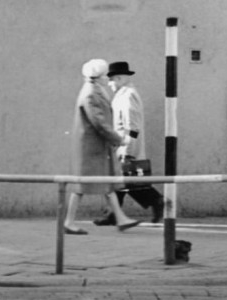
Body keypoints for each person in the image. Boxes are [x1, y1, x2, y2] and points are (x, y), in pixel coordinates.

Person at [63, 59, 140, 235]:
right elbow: (100, 123)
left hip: (95, 147)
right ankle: (69, 222)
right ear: (98, 77)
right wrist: (119, 139)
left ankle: (120, 218)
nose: (108, 78)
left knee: (105, 184)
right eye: (105, 75)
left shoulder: (94, 91)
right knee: (82, 186)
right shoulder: (91, 94)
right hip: (92, 148)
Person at [93, 61, 164, 226]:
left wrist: (128, 149)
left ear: (118, 78)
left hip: (124, 145)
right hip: (121, 145)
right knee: (122, 181)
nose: (109, 84)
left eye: (111, 80)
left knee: (127, 181)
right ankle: (113, 213)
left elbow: (132, 126)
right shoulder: (124, 94)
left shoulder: (127, 96)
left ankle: (157, 201)